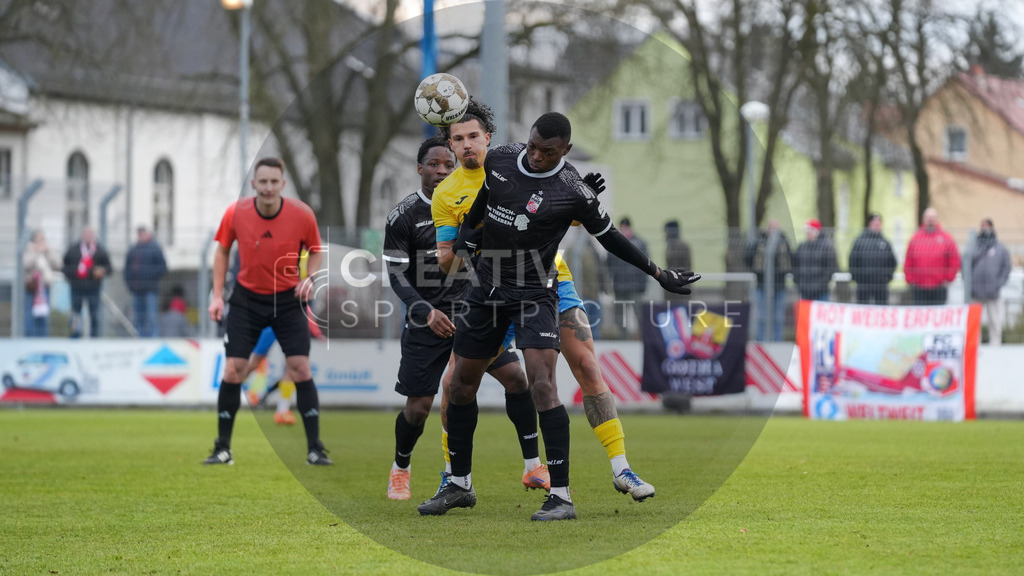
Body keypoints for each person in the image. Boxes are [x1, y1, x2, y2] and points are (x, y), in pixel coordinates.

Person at [418, 112, 698, 521]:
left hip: (537, 291)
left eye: (547, 152)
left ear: (565, 151)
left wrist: (658, 273)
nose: (534, 155)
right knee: (459, 384)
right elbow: (486, 202)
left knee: (545, 384)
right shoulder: (500, 159)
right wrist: (469, 234)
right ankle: (458, 484)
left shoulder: (575, 193)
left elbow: (612, 240)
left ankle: (566, 494)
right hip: (487, 291)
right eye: (532, 145)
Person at [382, 137, 537, 501]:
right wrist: (425, 310)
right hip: (426, 320)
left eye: (446, 165)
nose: (441, 170)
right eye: (433, 164)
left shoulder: (470, 202)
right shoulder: (403, 215)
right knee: (418, 408)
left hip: (474, 313)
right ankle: (401, 467)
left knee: (516, 379)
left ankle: (532, 467)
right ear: (419, 169)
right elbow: (395, 275)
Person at [203, 157, 332, 466]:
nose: (269, 187)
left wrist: (310, 279)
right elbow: (221, 251)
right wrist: (217, 296)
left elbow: (315, 251)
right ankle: (222, 448)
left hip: (288, 301)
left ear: (282, 185)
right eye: (263, 182)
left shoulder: (302, 214)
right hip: (247, 300)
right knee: (234, 369)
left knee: (300, 367)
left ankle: (315, 448)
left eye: (275, 182)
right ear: (254, 185)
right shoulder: (236, 213)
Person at [745, 219, 792, 341]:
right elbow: (749, 257)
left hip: (779, 286)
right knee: (761, 317)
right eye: (771, 228)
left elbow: (790, 260)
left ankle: (776, 342)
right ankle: (762, 342)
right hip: (761, 285)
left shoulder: (784, 242)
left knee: (778, 318)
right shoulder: (760, 241)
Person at [62, 226, 112, 338]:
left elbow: (109, 268)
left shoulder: (100, 250)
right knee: (76, 314)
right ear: (82, 235)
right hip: (77, 287)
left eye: (90, 234)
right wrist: (72, 276)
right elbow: (65, 266)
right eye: (86, 234)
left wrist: (101, 271)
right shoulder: (73, 249)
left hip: (93, 287)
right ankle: (75, 336)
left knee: (94, 314)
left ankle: (94, 337)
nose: (88, 236)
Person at [904, 207, 961, 305]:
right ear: (923, 219)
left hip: (939, 287)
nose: (930, 220)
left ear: (937, 219)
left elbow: (954, 260)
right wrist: (910, 279)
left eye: (933, 217)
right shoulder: (915, 238)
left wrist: (949, 278)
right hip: (919, 287)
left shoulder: (946, 238)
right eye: (928, 217)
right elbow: (909, 261)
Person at [968, 218, 1012, 345]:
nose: (985, 228)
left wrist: (998, 284)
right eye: (983, 225)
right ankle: (975, 346)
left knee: (995, 321)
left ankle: (995, 345)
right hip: (975, 293)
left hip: (993, 293)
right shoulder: (973, 246)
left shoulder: (1001, 248)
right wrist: (970, 285)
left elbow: (1006, 268)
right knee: (975, 322)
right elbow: (966, 265)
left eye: (987, 225)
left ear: (992, 228)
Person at [607, 217, 650, 338]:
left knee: (639, 314)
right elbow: (609, 265)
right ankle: (623, 337)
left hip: (634, 287)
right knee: (620, 315)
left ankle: (644, 336)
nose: (623, 229)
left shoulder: (640, 243)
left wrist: (643, 285)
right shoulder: (614, 243)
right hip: (619, 286)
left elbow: (646, 266)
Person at [124, 225, 168, 338]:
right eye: (139, 234)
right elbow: (127, 269)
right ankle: (140, 337)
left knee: (151, 316)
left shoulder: (155, 248)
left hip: (150, 289)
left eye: (143, 233)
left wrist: (150, 277)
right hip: (136, 289)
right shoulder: (133, 249)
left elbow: (162, 267)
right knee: (139, 317)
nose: (141, 236)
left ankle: (153, 337)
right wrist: (130, 284)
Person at [849, 213, 897, 305]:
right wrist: (857, 278)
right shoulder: (860, 241)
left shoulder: (885, 243)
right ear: (869, 224)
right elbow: (853, 261)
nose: (876, 226)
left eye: (878, 224)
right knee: (863, 308)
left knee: (881, 309)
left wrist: (887, 277)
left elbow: (892, 262)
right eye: (874, 223)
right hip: (863, 283)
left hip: (881, 284)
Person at [22, 229, 62, 337]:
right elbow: (25, 264)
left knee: (43, 314)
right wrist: (36, 252)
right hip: (32, 287)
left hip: (44, 288)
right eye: (37, 239)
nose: (40, 241)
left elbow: (58, 264)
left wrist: (48, 252)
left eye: (42, 239)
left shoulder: (48, 250)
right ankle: (30, 337)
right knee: (30, 314)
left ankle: (43, 337)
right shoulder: (29, 249)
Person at [792, 219, 837, 301]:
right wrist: (799, 282)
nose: (808, 233)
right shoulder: (802, 247)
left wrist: (820, 285)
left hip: (821, 291)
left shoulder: (827, 247)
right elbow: (795, 265)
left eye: (810, 230)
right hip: (804, 290)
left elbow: (830, 268)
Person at [663, 219, 692, 300]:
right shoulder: (670, 245)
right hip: (671, 283)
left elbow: (685, 267)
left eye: (666, 231)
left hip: (681, 285)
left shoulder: (682, 246)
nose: (665, 234)